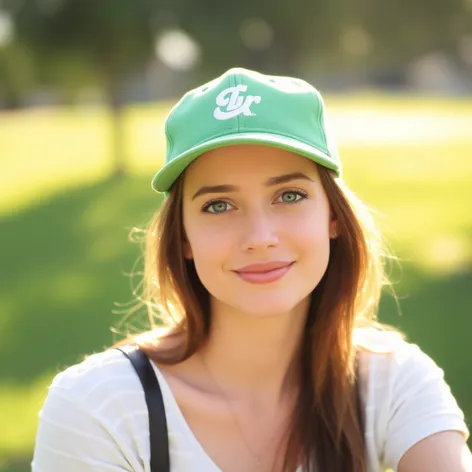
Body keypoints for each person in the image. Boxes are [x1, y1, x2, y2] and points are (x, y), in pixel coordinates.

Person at [32, 67, 471, 472]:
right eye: (218, 205)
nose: (260, 236)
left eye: (290, 195)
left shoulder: (391, 384)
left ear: (332, 218)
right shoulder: (97, 409)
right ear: (183, 237)